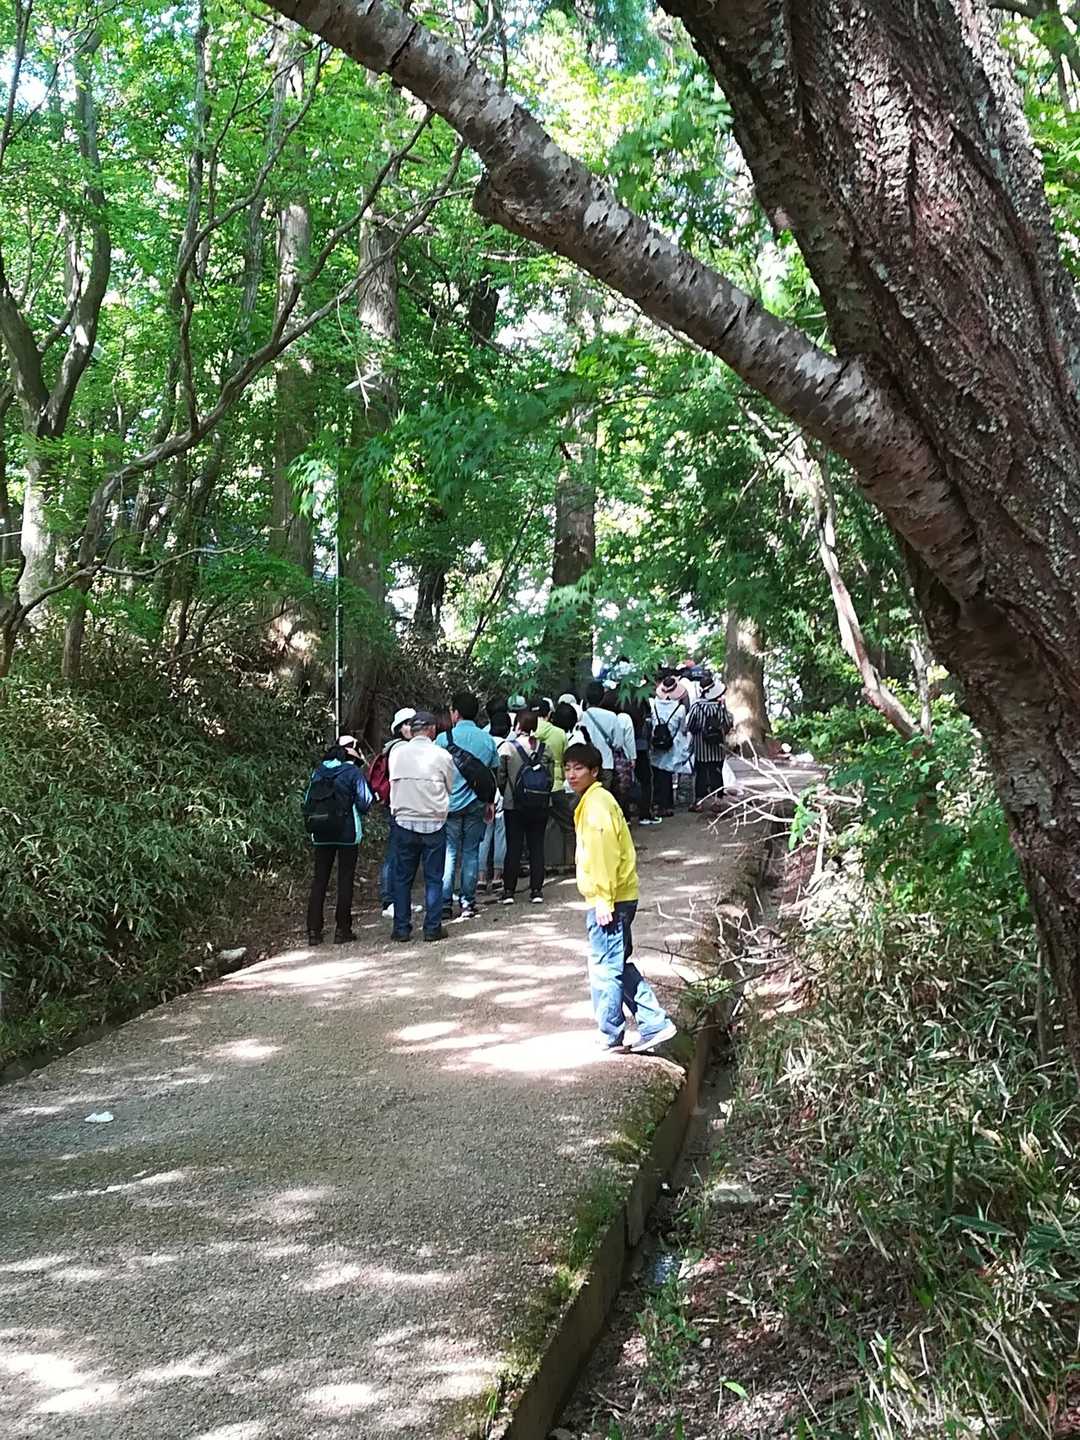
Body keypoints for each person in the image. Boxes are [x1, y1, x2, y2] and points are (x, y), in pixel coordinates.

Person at [564, 741, 677, 1053]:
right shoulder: (595, 801)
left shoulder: (596, 805)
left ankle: (611, 1034)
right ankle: (654, 1022)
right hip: (618, 895)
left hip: (611, 898)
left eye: (578, 768)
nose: (572, 774)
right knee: (616, 963)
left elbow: (603, 854)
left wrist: (603, 898)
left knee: (604, 967)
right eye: (568, 768)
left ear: (594, 771)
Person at [389, 711, 456, 942]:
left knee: (402, 878)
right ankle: (432, 927)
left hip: (403, 821)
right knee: (434, 878)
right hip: (434, 822)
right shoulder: (442, 755)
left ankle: (401, 928)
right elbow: (449, 787)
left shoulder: (397, 754)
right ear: (432, 729)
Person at [304, 736, 375, 946]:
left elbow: (308, 801)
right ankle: (342, 929)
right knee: (345, 879)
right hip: (347, 833)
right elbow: (365, 801)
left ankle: (314, 931)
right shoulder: (352, 772)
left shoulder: (318, 772)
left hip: (320, 831)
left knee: (320, 879)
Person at [435, 691, 498, 920]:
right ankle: (467, 903)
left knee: (449, 852)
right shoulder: (487, 739)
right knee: (471, 851)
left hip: (449, 804)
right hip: (477, 802)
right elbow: (493, 773)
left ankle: (444, 903)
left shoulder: (443, 740)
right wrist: (490, 802)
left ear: (456, 713)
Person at [497, 709, 554, 904]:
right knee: (536, 846)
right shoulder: (545, 748)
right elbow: (550, 778)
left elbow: (501, 776)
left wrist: (507, 791)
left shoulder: (507, 748)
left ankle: (509, 891)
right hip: (540, 804)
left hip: (514, 804)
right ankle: (536, 890)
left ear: (518, 726)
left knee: (514, 846)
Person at [370, 707, 416, 918]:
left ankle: (398, 900)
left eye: (413, 723)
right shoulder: (399, 749)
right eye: (406, 724)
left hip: (398, 805)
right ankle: (389, 900)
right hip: (398, 806)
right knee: (395, 853)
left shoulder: (396, 748)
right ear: (398, 728)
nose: (410, 727)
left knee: (400, 852)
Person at [686, 676, 733, 807]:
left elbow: (690, 725)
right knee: (716, 774)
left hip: (700, 747)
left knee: (701, 774)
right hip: (717, 747)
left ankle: (699, 802)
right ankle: (718, 801)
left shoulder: (696, 706)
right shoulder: (720, 706)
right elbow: (728, 723)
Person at [649, 675, 691, 816]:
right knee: (666, 774)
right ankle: (666, 805)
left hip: (655, 742)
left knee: (656, 773)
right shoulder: (680, 709)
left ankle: (656, 803)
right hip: (671, 744)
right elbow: (683, 729)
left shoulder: (653, 705)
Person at [479, 709, 511, 889]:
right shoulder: (507, 746)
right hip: (501, 795)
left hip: (485, 793)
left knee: (484, 837)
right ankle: (498, 876)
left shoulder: (484, 743)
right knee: (500, 836)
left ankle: (481, 878)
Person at [575, 680, 620, 790]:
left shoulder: (581, 717)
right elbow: (618, 743)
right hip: (606, 764)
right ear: (603, 697)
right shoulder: (612, 716)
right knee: (603, 796)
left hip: (586, 765)